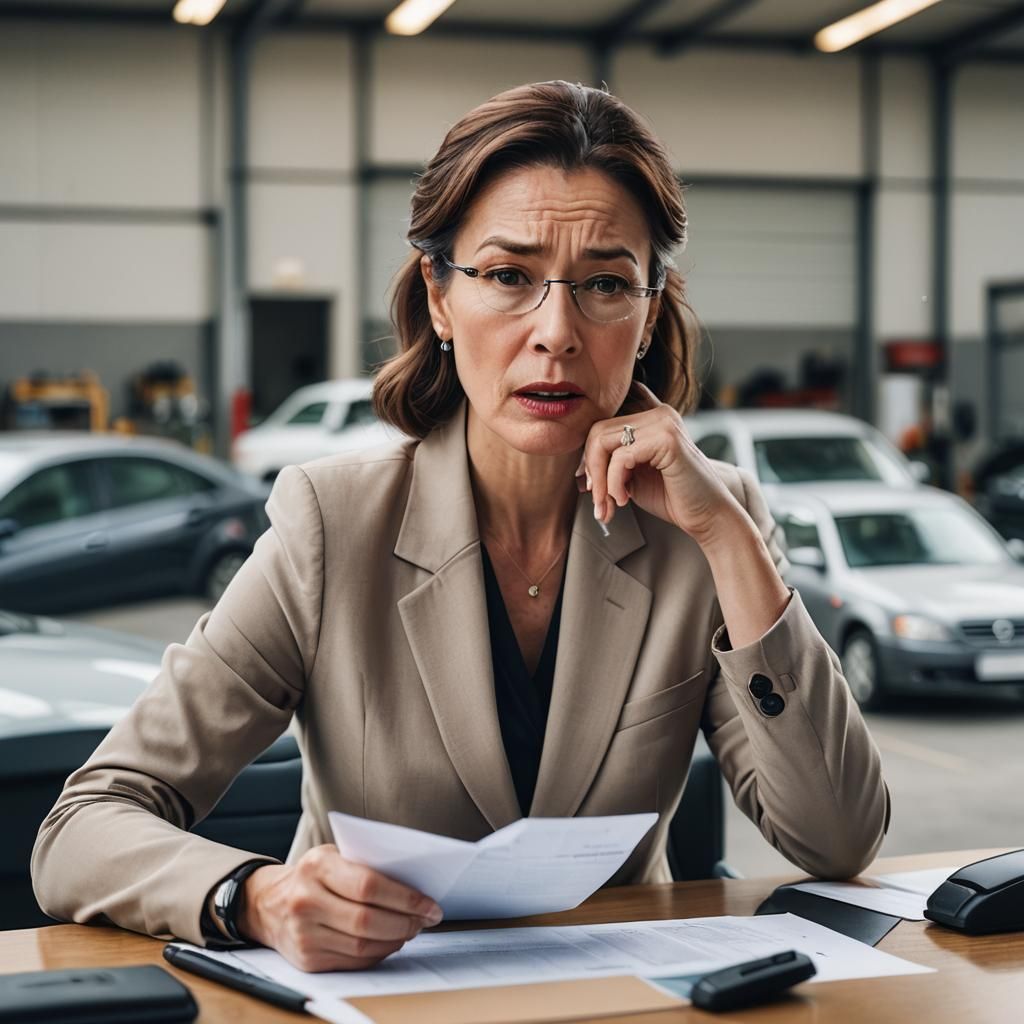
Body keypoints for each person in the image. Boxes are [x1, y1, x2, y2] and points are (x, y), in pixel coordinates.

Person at [32, 81, 889, 973]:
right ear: (439, 298)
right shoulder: (334, 524)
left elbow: (837, 839)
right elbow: (81, 826)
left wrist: (730, 538)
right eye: (509, 276)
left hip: (618, 1004)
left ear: (647, 315)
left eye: (605, 284)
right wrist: (257, 897)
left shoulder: (707, 531)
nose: (556, 332)